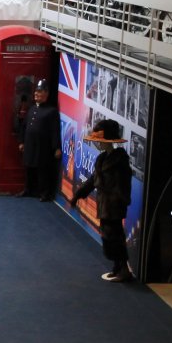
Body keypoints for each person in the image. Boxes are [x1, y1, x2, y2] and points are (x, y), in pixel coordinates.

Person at [69, 118, 135, 282]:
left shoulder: (120, 161)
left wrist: (117, 201)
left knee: (115, 237)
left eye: (100, 141)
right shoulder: (102, 158)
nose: (98, 144)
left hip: (114, 206)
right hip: (105, 204)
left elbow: (123, 186)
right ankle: (117, 267)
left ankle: (124, 270)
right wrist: (78, 194)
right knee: (108, 237)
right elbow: (93, 180)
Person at [20, 78, 60, 200]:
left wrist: (56, 147)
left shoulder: (51, 111)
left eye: (40, 91)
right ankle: (28, 189)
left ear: (46, 93)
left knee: (42, 170)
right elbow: (24, 126)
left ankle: (44, 193)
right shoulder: (32, 109)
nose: (36, 93)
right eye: (36, 91)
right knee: (29, 168)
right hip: (30, 144)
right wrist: (21, 141)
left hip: (43, 146)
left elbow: (55, 131)